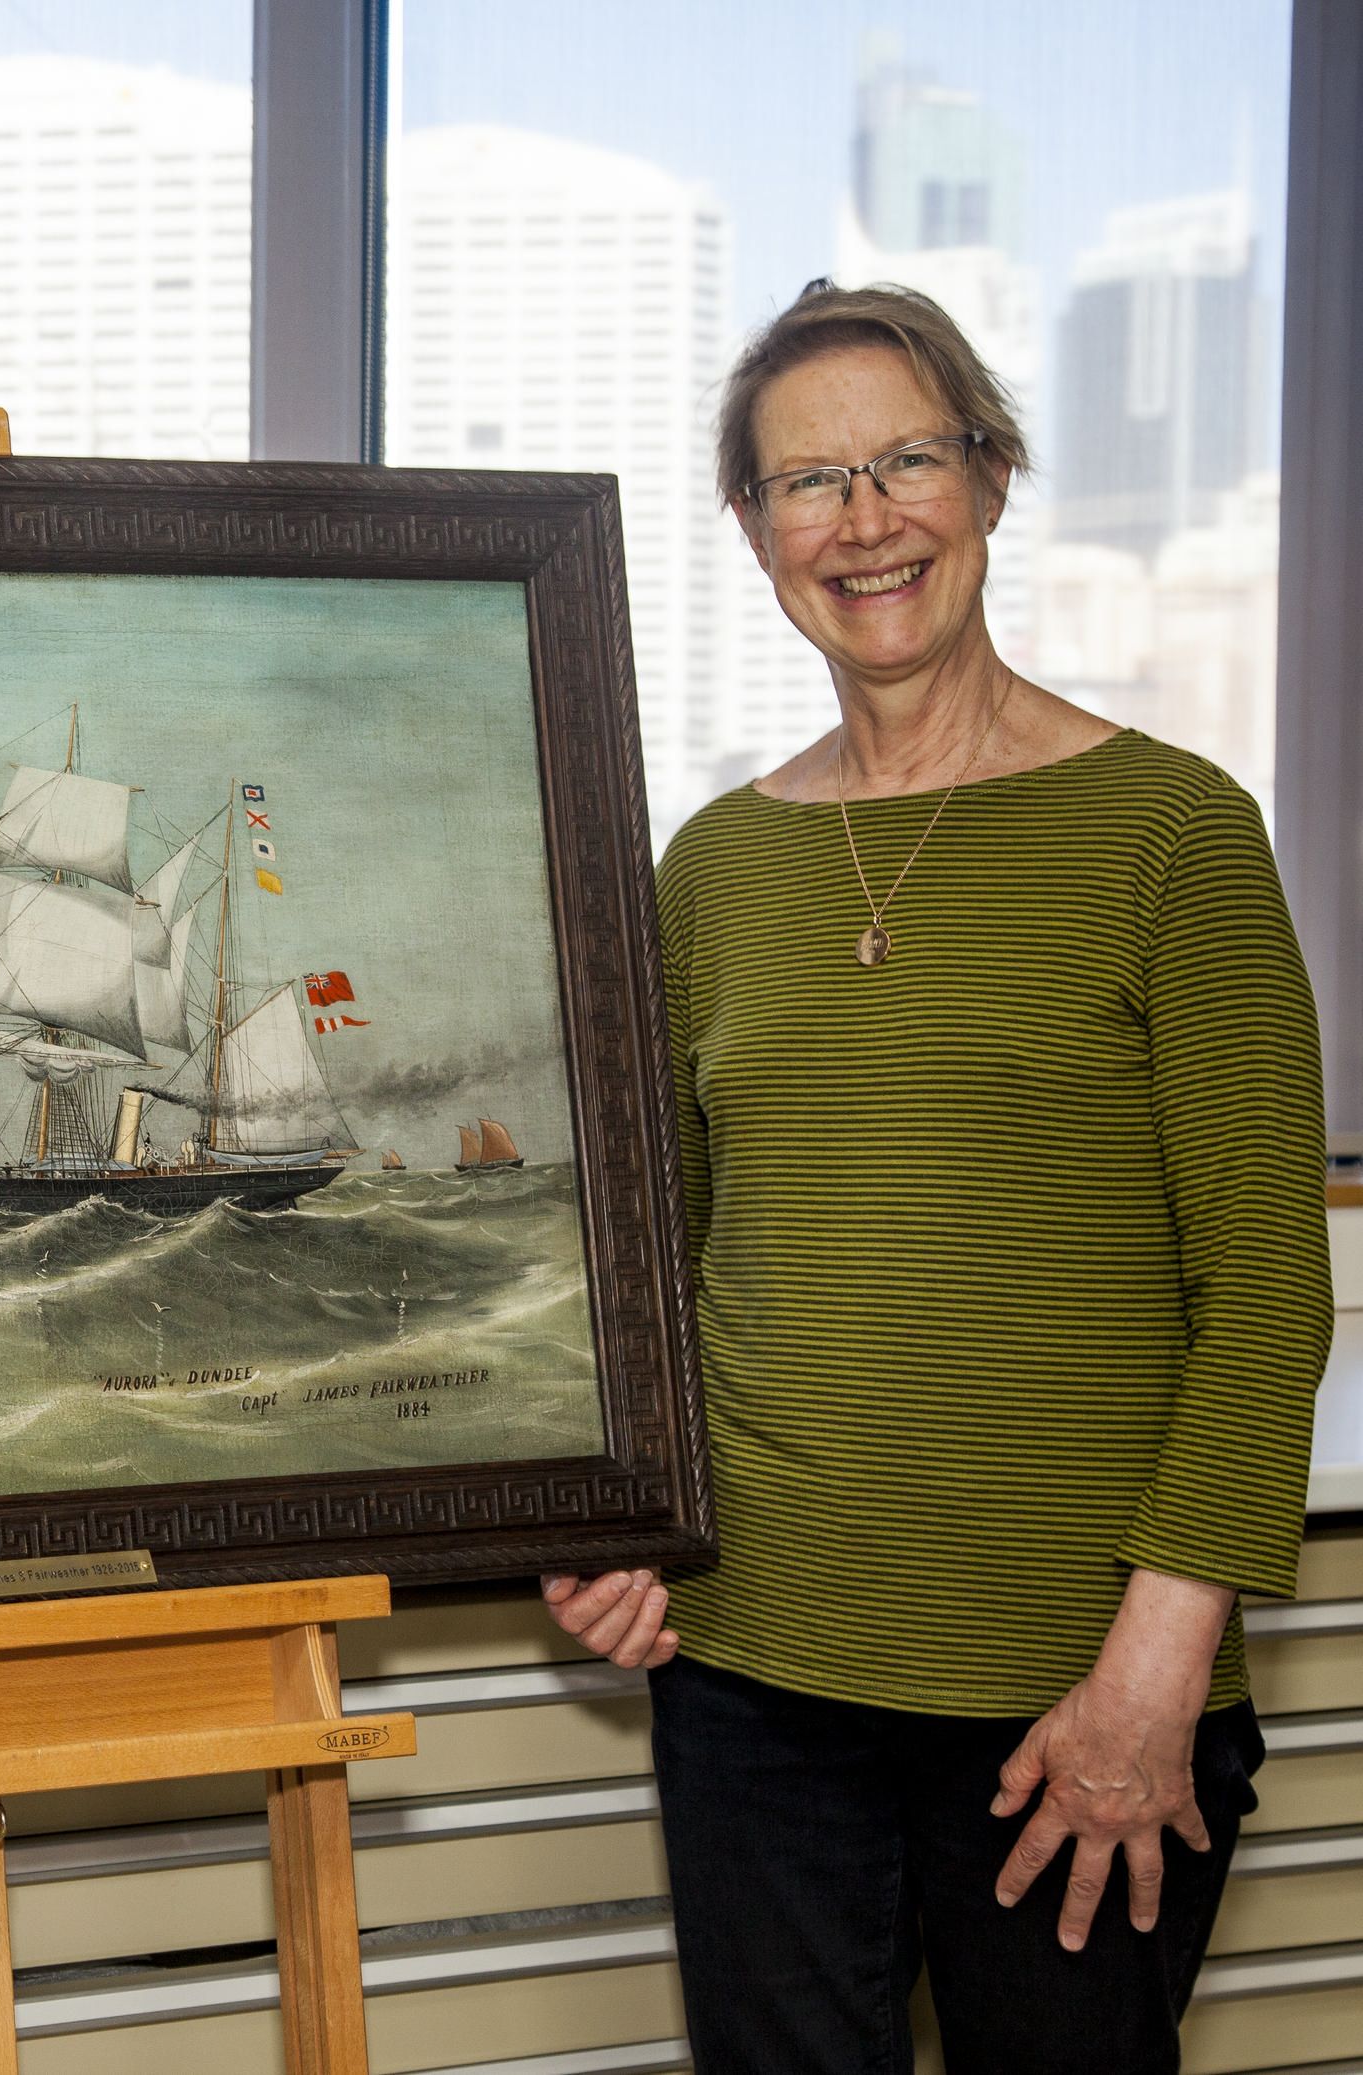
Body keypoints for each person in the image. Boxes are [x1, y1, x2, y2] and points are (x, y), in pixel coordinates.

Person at [540, 281, 1332, 2071]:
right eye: (810, 483)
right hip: (751, 1694)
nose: (866, 519)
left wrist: (1153, 1682)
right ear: (754, 532)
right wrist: (605, 1519)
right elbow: (644, 1265)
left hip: (1078, 1706)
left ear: (991, 476)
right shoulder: (711, 870)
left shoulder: (1174, 832)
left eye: (908, 459)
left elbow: (1270, 1296)